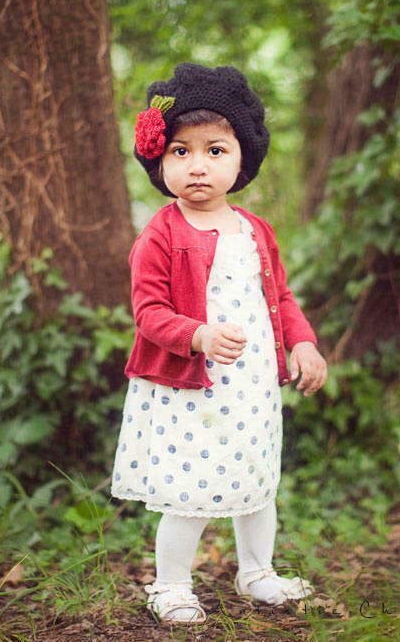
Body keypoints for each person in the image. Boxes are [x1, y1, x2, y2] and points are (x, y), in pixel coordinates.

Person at [111, 63, 328, 624]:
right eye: (180, 151)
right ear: (160, 161)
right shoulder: (162, 233)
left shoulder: (256, 231)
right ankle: (171, 584)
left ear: (241, 158)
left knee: (257, 480)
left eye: (215, 149)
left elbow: (280, 298)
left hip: (251, 386)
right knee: (191, 488)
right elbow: (149, 313)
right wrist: (198, 334)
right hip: (191, 387)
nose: (198, 166)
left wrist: (301, 344)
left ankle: (257, 571)